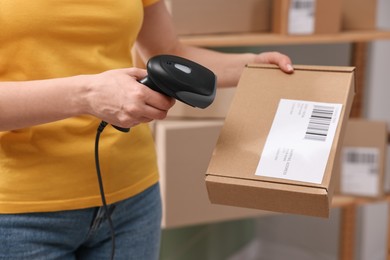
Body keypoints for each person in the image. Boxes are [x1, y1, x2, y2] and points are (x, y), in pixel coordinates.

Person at [0, 0, 293, 259]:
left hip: (133, 200)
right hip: (19, 214)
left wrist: (252, 66)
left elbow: (169, 52)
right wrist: (87, 95)